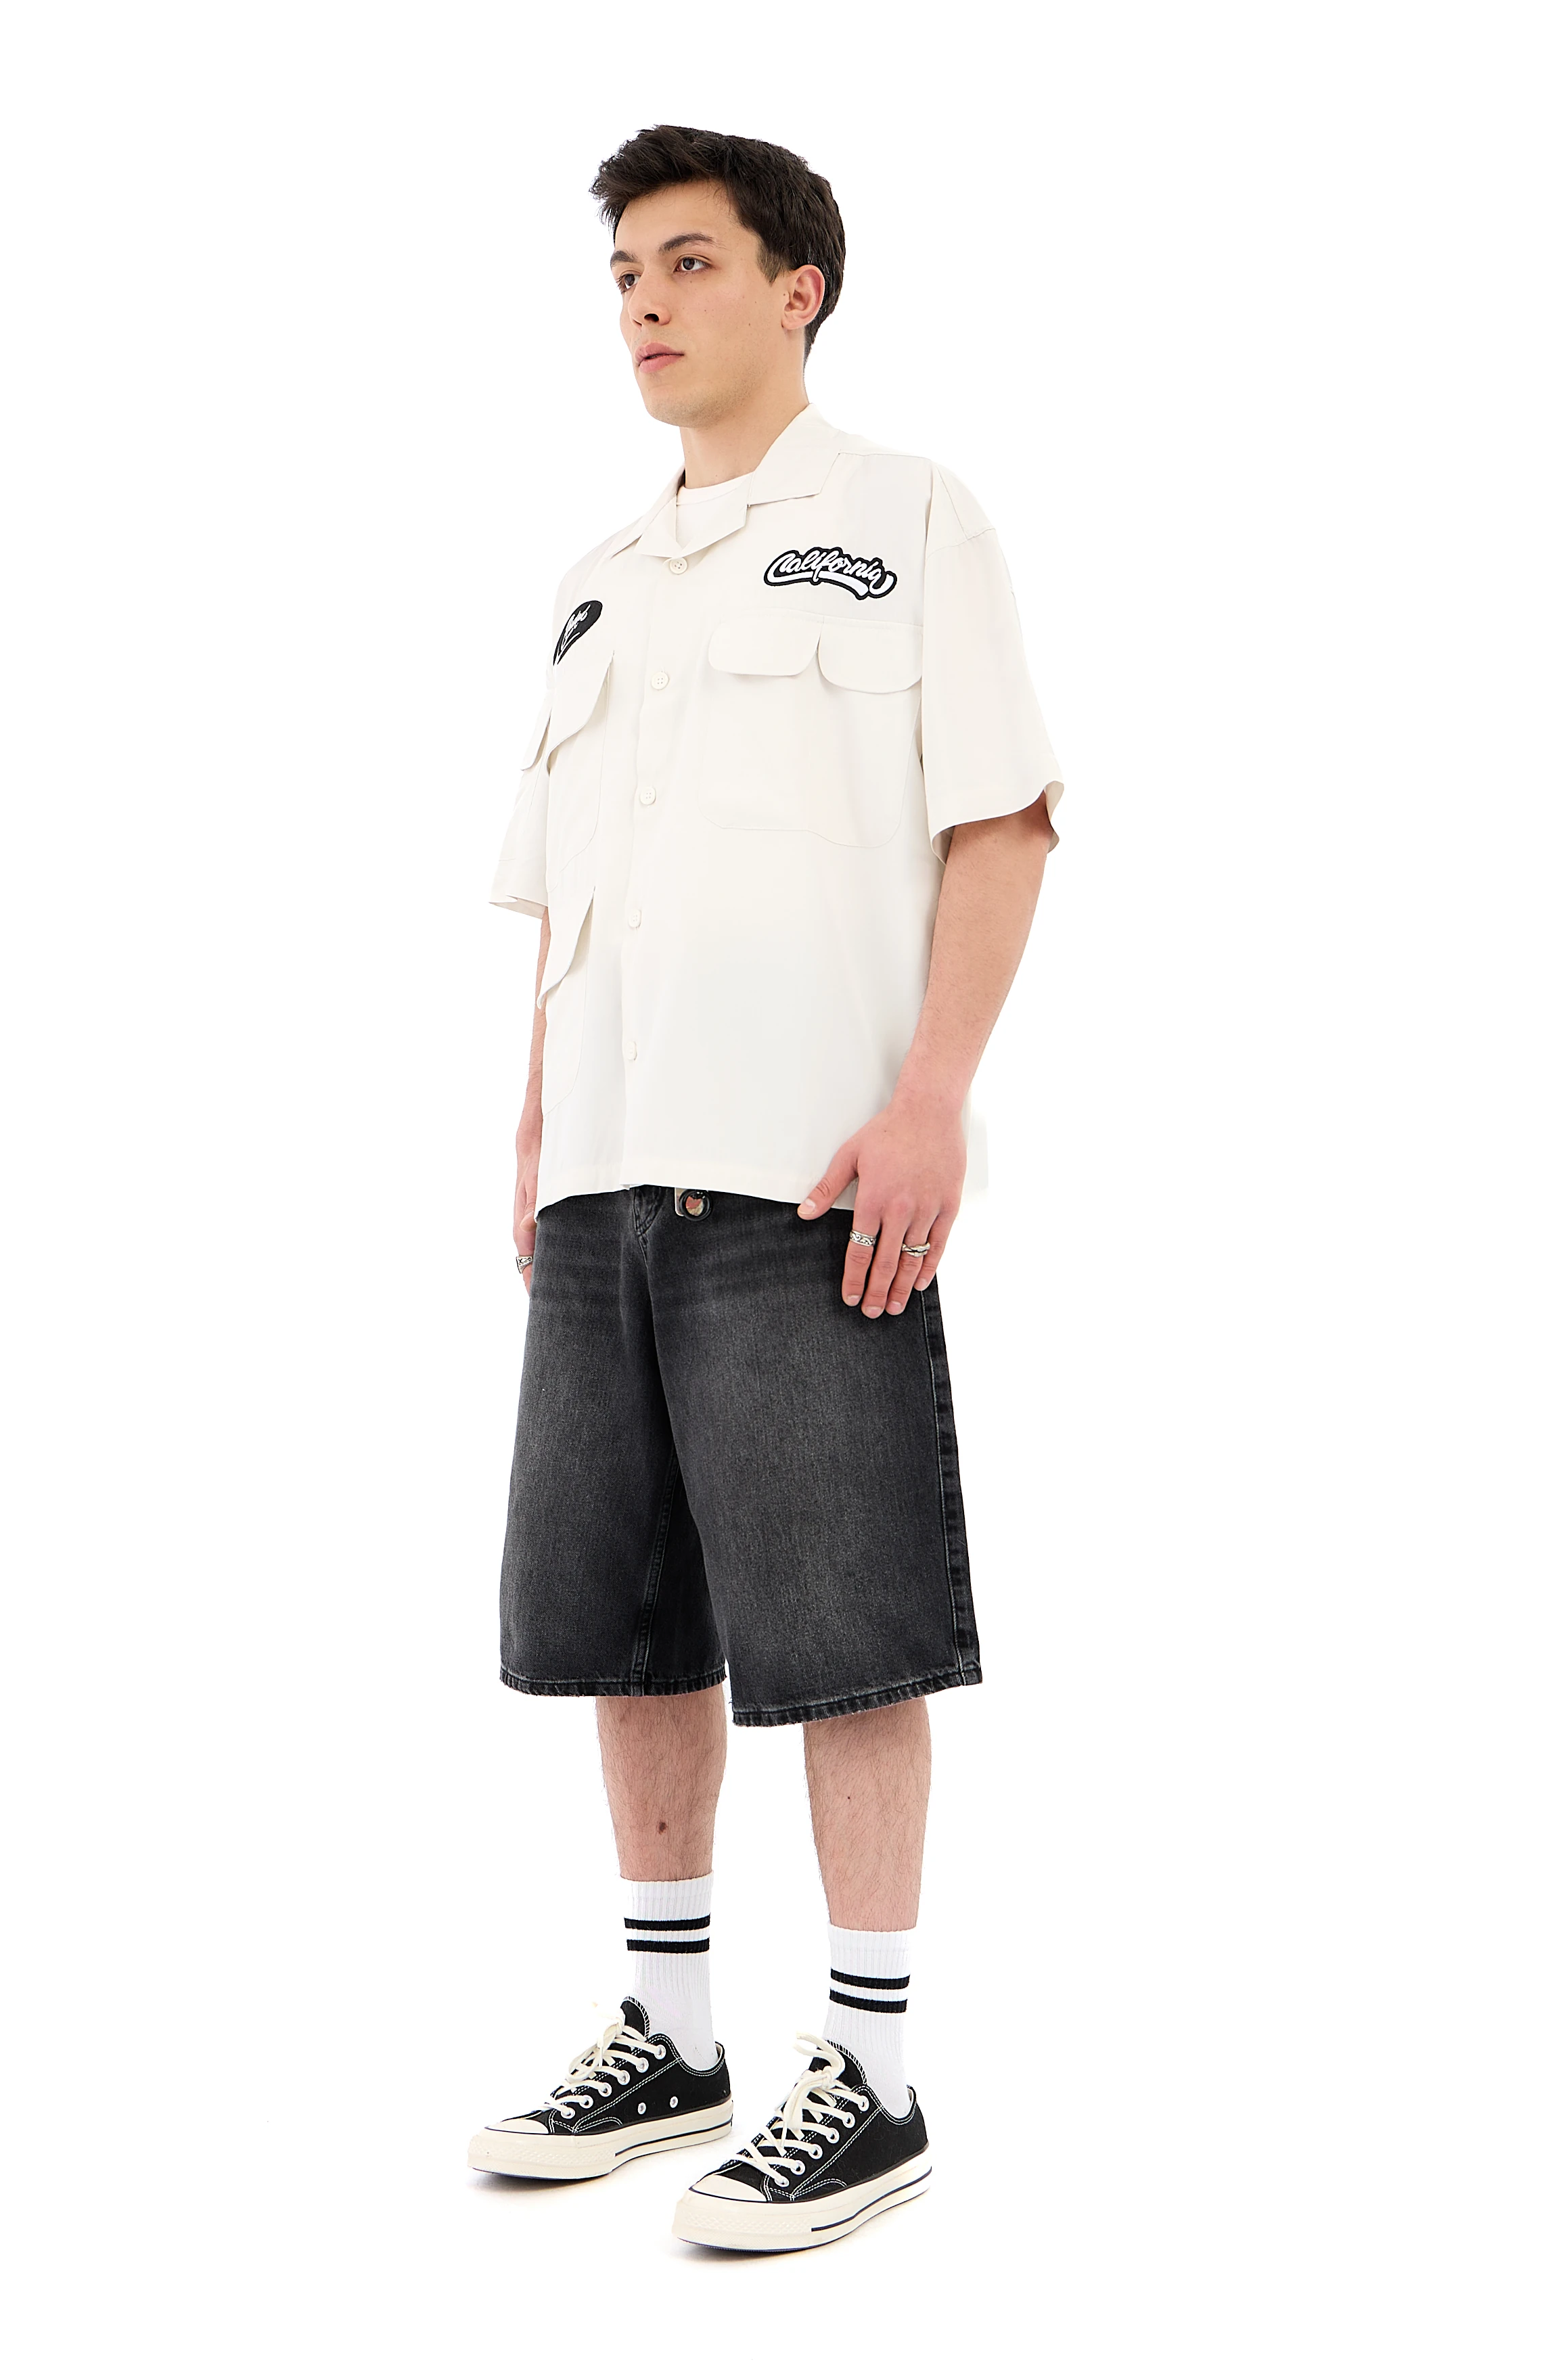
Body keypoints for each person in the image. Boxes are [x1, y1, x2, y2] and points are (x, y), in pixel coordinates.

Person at [468, 124, 1063, 2252]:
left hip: (810, 1172)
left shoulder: (907, 520)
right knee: (627, 1611)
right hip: (604, 1182)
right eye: (626, 271)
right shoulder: (598, 579)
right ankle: (673, 2028)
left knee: (844, 1615)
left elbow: (1003, 820)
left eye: (690, 262)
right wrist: (538, 1119)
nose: (645, 301)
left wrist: (935, 1097)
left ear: (798, 286)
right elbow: (572, 896)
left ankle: (874, 2072)